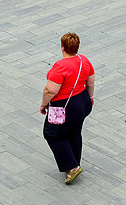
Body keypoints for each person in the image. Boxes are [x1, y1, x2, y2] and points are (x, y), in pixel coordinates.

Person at [41, 32, 95, 184]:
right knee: (74, 133)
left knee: (52, 134)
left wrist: (44, 104)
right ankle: (75, 162)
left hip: (65, 106)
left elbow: (50, 90)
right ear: (77, 47)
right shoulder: (84, 60)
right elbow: (90, 82)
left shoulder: (60, 66)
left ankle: (72, 167)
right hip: (83, 102)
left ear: (62, 47)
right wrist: (90, 97)